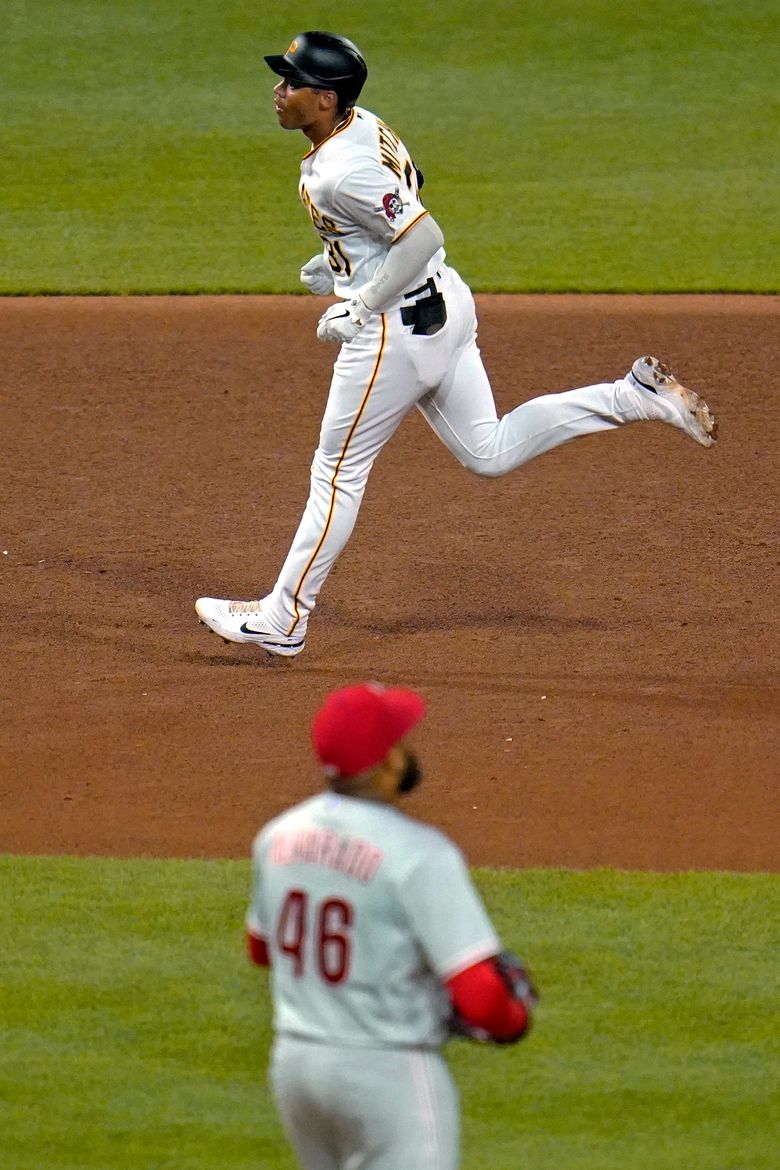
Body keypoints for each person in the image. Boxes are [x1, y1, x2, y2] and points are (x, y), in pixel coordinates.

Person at [196, 31, 717, 659]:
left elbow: (420, 234)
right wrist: (337, 264)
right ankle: (630, 397)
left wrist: (359, 301)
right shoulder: (364, 127)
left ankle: (285, 617)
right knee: (488, 451)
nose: (278, 92)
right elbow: (407, 199)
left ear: (326, 99)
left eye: (292, 83)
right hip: (447, 305)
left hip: (393, 334)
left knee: (336, 473)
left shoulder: (341, 169)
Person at [246, 681, 538, 1170]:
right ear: (387, 763)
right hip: (386, 1073)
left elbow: (261, 949)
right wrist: (514, 1019)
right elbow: (483, 1000)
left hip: (296, 1067)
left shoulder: (278, 835)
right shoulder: (420, 854)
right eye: (399, 741)